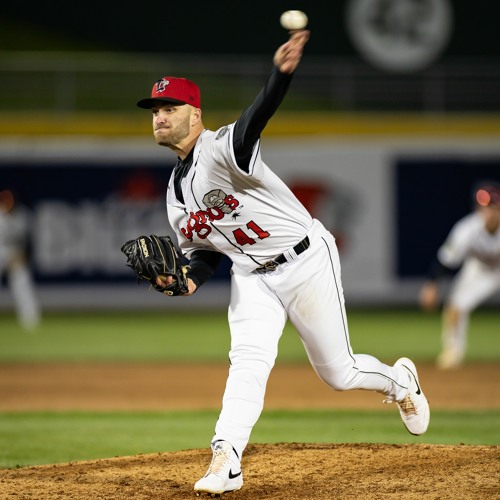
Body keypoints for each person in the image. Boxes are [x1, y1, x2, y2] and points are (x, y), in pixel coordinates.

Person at [135, 30, 430, 496]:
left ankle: (399, 382)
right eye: (155, 110)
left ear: (196, 114)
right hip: (251, 276)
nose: (160, 117)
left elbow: (255, 119)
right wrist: (184, 281)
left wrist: (280, 76)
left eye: (170, 108)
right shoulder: (174, 194)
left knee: (339, 373)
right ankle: (226, 457)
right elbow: (204, 252)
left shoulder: (220, 148)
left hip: (304, 260)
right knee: (247, 361)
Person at [419, 183, 500, 369]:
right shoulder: (467, 228)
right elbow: (445, 259)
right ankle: (453, 351)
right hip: (480, 270)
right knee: (455, 306)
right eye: (483, 207)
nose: (487, 212)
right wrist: (431, 284)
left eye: (492, 207)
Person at [0, 189, 41, 331]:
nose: (7, 204)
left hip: (15, 252)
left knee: (22, 281)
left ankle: (30, 319)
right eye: (4, 200)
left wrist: (23, 255)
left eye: (9, 200)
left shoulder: (23, 216)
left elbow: (28, 241)